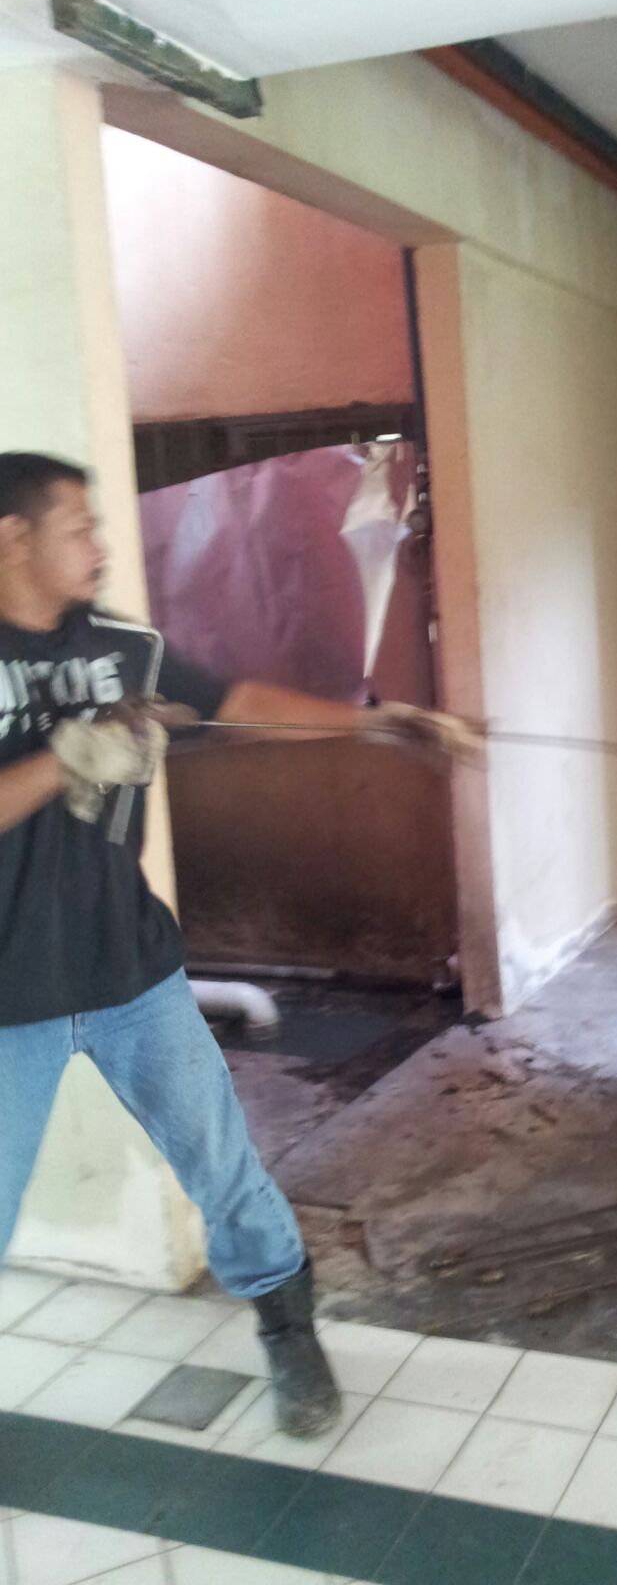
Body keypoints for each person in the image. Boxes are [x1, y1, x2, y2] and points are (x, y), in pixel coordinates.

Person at [0, 452, 467, 1437]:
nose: (101, 546)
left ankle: (289, 1329)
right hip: (7, 999)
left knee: (224, 1166)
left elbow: (240, 703)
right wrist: (67, 758)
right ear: (12, 536)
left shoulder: (123, 647)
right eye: (79, 527)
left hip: (131, 972)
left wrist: (380, 725)